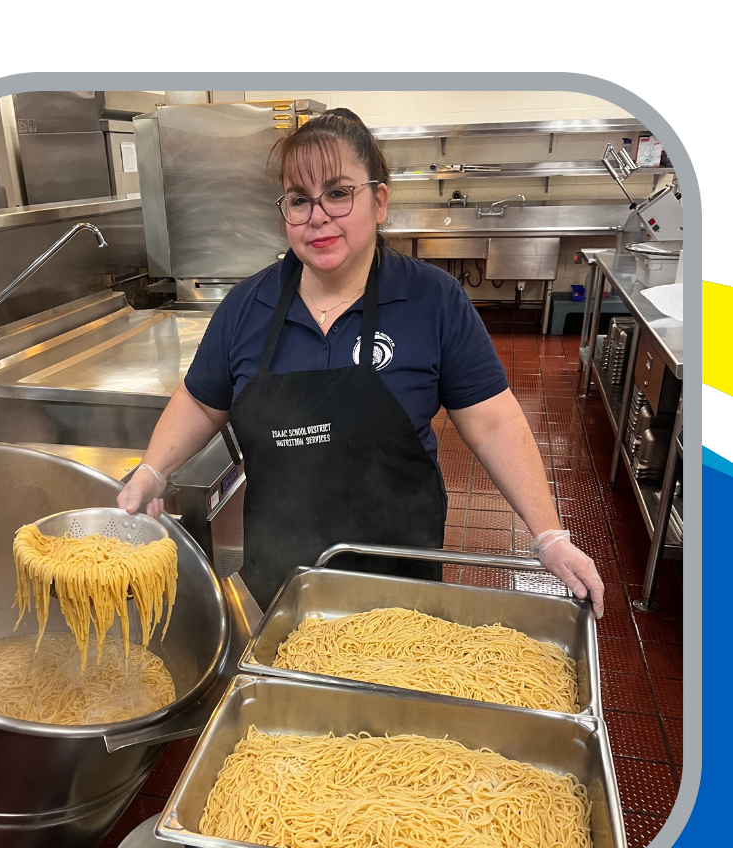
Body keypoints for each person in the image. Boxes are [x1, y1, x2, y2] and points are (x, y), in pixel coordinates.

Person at [119, 109, 603, 615]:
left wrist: (548, 534)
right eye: (299, 200)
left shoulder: (431, 300)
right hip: (284, 588)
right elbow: (201, 400)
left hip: (401, 583)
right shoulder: (247, 306)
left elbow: (493, 422)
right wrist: (154, 470)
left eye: (338, 192)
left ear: (379, 201)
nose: (317, 216)